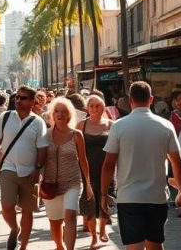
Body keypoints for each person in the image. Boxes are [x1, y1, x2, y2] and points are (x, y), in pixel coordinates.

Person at [100, 81, 181, 250]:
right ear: (151, 99)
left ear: (130, 100)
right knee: (155, 243)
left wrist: (103, 195)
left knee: (134, 246)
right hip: (157, 196)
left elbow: (108, 165)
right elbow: (177, 162)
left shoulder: (119, 126)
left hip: (129, 197)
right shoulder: (165, 125)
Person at [0, 85, 49, 250]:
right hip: (8, 169)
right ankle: (14, 228)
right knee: (6, 206)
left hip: (30, 172)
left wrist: (38, 169)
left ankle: (23, 246)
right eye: (17, 97)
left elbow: (42, 149)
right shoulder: (5, 117)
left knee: (27, 211)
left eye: (23, 98)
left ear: (32, 102)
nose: (18, 100)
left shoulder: (38, 123)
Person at [43, 98, 92, 250]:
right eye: (57, 111)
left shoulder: (76, 135)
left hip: (72, 182)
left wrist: (88, 185)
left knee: (70, 216)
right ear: (52, 114)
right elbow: (39, 160)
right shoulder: (45, 135)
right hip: (50, 184)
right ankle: (59, 246)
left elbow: (83, 160)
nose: (60, 114)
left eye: (64, 112)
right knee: (55, 221)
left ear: (69, 115)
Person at [80, 94, 116, 249]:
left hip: (107, 169)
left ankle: (102, 229)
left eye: (98, 105)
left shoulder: (111, 125)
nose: (95, 109)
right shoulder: (81, 125)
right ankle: (94, 236)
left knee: (105, 198)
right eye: (92, 105)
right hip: (88, 169)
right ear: (87, 108)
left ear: (103, 107)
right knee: (90, 201)